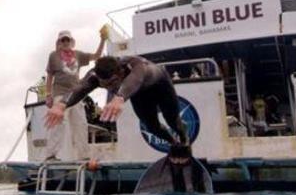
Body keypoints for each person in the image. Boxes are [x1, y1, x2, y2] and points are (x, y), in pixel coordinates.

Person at [45, 54, 190, 150]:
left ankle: (184, 138)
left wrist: (120, 96)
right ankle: (174, 145)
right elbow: (80, 88)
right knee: (152, 127)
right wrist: (62, 104)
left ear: (121, 73)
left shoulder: (136, 65)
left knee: (173, 121)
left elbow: (137, 78)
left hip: (160, 85)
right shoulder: (95, 75)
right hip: (138, 94)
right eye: (105, 85)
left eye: (113, 82)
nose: (110, 88)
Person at [43, 28, 107, 161]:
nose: (65, 42)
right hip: (60, 95)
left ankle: (83, 155)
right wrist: (48, 95)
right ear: (59, 42)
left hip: (76, 95)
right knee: (58, 123)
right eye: (63, 40)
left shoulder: (78, 54)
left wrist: (103, 40)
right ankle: (50, 155)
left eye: (67, 39)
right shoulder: (53, 56)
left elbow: (97, 56)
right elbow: (49, 76)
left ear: (71, 41)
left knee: (81, 124)